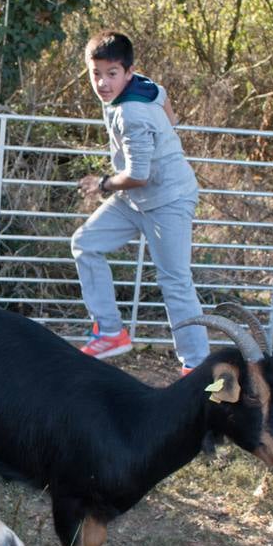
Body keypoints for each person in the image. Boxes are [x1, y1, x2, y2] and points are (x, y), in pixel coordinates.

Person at [73, 30, 210, 374]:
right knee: (86, 243)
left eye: (112, 74)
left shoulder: (131, 113)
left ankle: (196, 366)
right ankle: (110, 332)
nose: (103, 83)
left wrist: (101, 183)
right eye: (96, 74)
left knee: (175, 281)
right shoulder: (144, 85)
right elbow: (164, 100)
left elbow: (139, 174)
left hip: (168, 199)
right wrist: (166, 133)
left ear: (128, 72)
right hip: (135, 199)